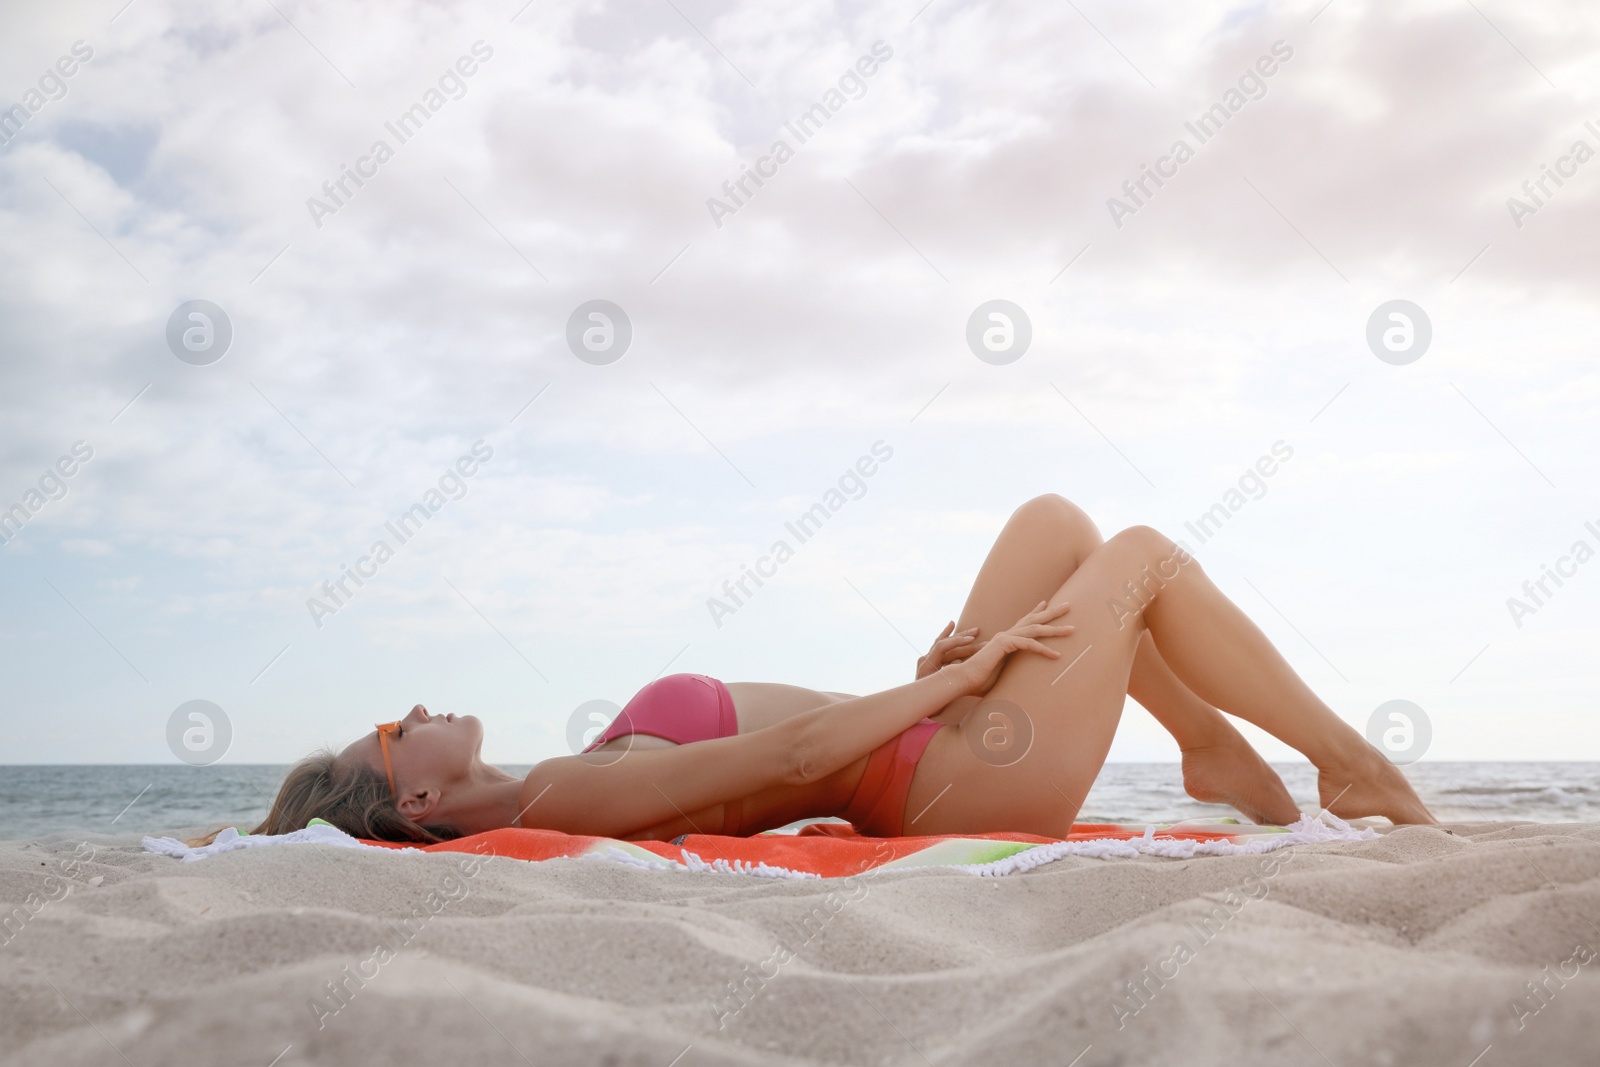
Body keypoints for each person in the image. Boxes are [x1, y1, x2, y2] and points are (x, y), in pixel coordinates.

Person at [234, 495, 1434, 847]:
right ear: (421, 801)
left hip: (921, 737)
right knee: (1137, 560)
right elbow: (799, 756)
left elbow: (808, 739)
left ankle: (1206, 745)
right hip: (950, 776)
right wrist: (958, 687)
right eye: (391, 738)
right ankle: (1352, 764)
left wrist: (933, 677)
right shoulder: (555, 795)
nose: (407, 714)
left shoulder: (565, 768)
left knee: (1055, 525)